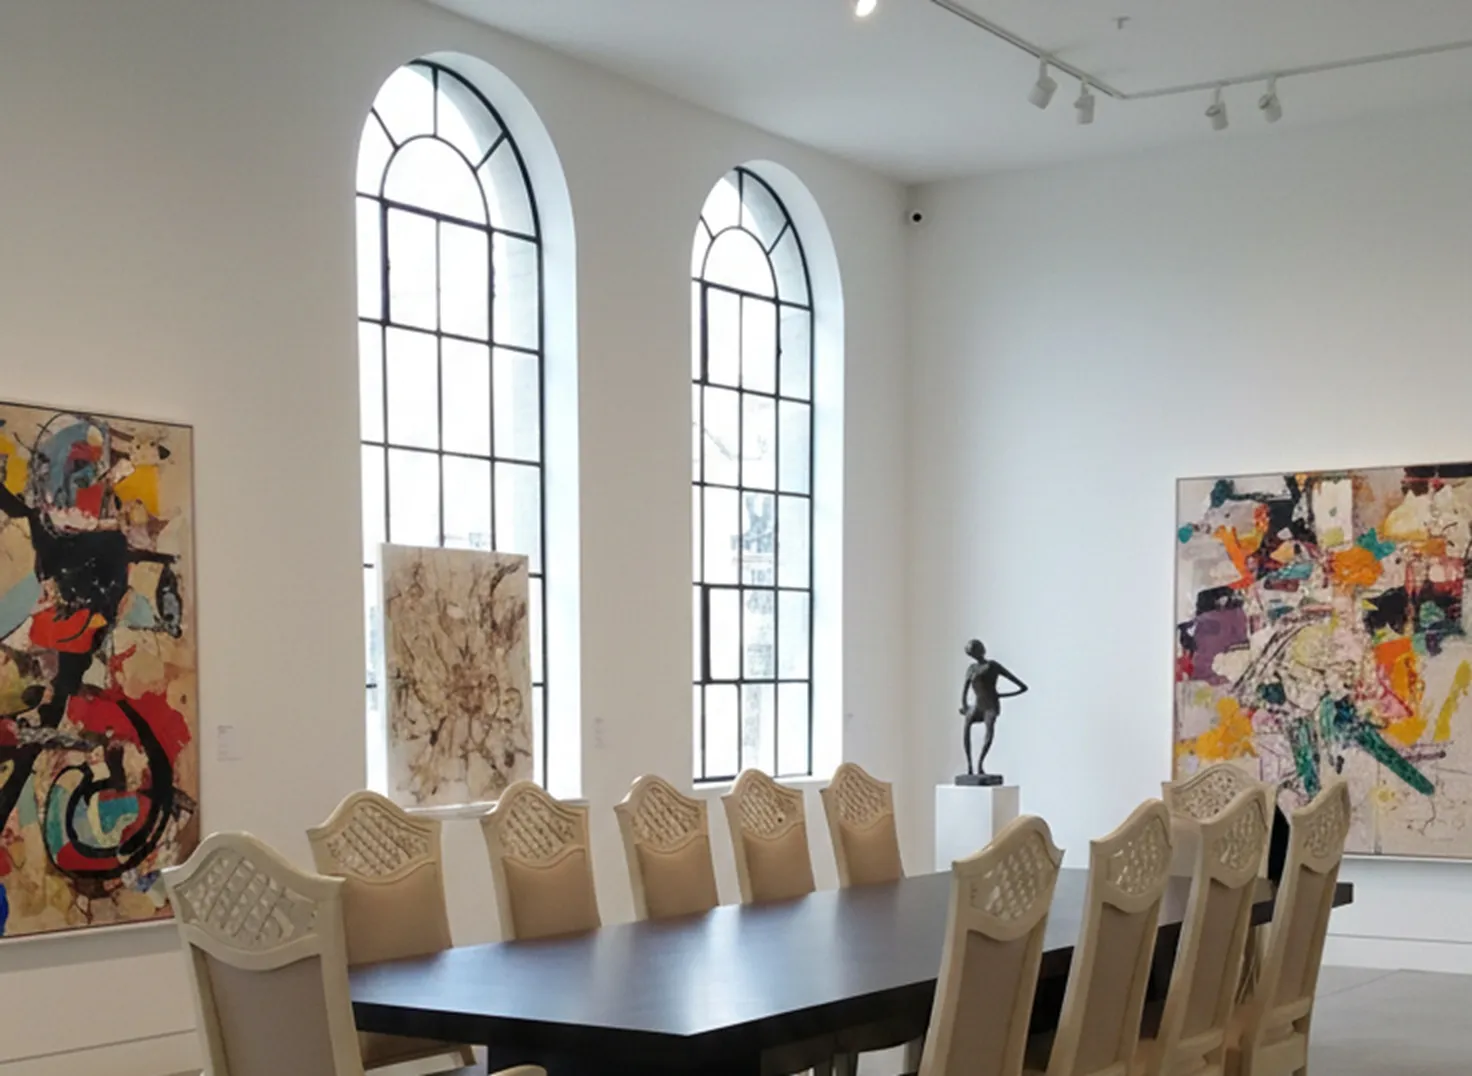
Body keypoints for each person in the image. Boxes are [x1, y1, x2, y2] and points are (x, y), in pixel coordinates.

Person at [958, 639, 1027, 778]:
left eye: (974, 651)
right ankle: (969, 765)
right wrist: (965, 706)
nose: (974, 655)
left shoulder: (993, 666)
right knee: (966, 727)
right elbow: (964, 690)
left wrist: (1000, 695)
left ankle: (980, 764)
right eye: (971, 653)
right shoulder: (971, 669)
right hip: (977, 706)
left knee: (988, 732)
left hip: (990, 707)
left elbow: (1022, 687)